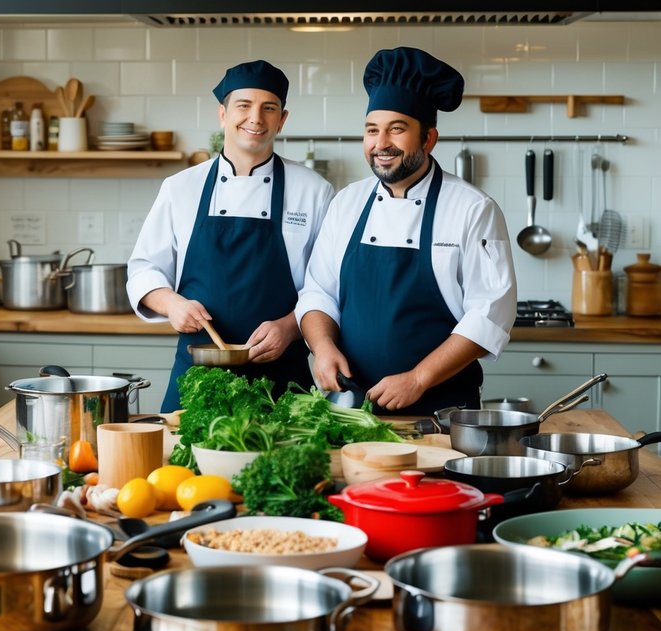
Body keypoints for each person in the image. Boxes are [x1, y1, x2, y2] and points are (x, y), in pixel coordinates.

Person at [296, 46, 516, 416]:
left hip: (440, 412)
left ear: (428, 139)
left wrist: (418, 378)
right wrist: (322, 348)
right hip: (350, 408)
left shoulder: (472, 209)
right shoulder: (347, 203)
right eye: (372, 131)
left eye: (397, 130)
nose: (381, 144)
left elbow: (490, 314)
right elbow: (318, 292)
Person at [127, 59, 335, 412]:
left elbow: (329, 285)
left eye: (268, 108)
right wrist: (172, 304)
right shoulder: (182, 188)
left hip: (282, 377)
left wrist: (290, 327)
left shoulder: (313, 190)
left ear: (282, 120)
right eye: (244, 105)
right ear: (222, 114)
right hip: (198, 375)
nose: (256, 118)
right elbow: (144, 269)